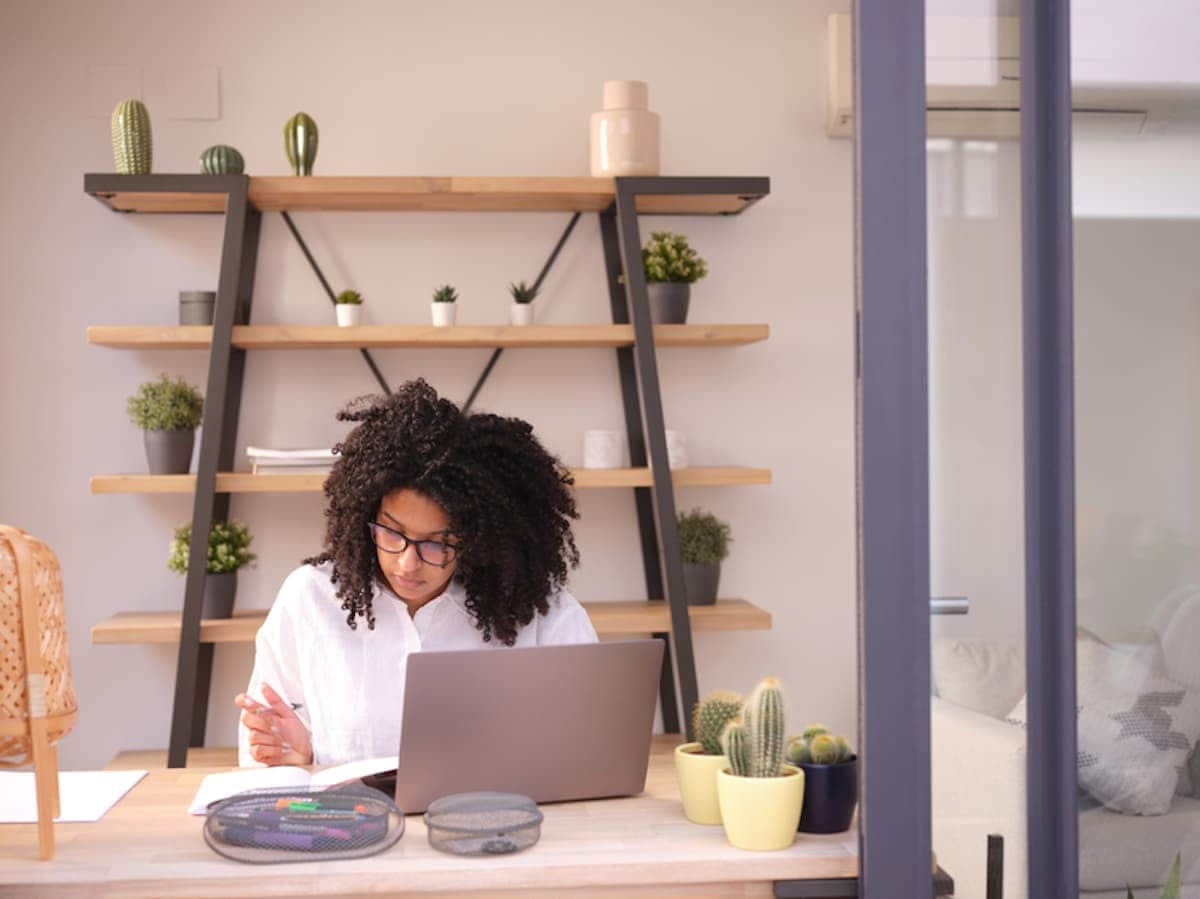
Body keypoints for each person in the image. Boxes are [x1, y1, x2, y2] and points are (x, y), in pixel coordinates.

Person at [236, 379, 597, 766]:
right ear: (365, 516)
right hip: (355, 824)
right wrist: (298, 754)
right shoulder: (309, 600)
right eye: (393, 533)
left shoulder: (538, 611)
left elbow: (593, 743)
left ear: (477, 538)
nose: (407, 563)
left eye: (436, 544)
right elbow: (262, 751)